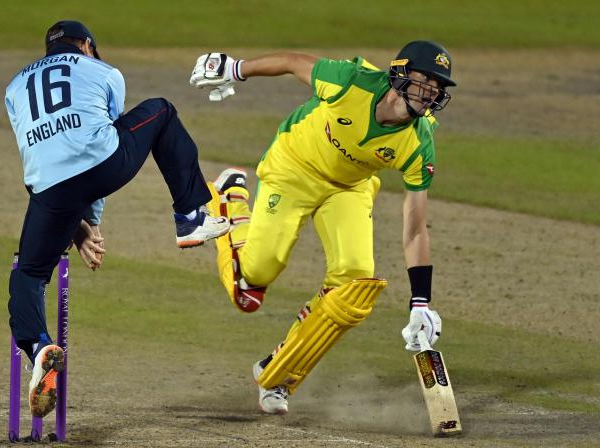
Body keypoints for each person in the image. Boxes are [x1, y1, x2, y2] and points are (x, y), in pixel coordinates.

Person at [189, 41, 456, 414]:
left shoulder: (418, 142)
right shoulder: (352, 82)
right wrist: (236, 68)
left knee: (354, 288)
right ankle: (228, 199)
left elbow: (415, 228)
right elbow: (291, 61)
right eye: (424, 81)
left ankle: (279, 374)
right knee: (253, 278)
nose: (430, 93)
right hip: (293, 168)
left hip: (349, 188)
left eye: (437, 88)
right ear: (399, 74)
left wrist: (421, 304)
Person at [4, 20, 229, 418]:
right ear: (87, 45)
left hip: (46, 185)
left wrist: (79, 230)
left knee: (29, 273)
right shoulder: (104, 72)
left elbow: (45, 154)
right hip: (100, 164)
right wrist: (95, 223)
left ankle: (38, 348)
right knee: (161, 111)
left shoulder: (14, 89)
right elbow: (100, 137)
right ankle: (190, 215)